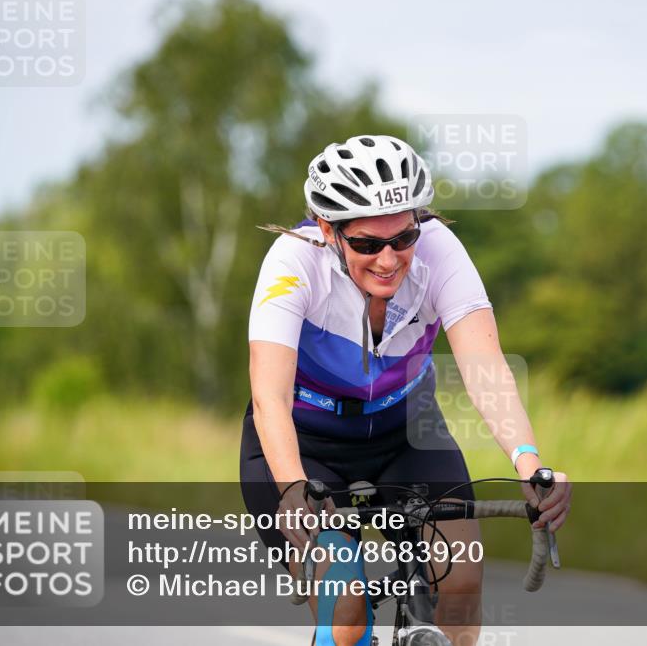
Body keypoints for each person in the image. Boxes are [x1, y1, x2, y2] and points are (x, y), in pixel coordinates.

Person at [240, 135, 571, 646]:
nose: (390, 259)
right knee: (346, 608)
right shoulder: (292, 264)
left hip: (404, 430)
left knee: (461, 580)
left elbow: (484, 367)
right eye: (368, 244)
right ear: (329, 230)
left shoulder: (439, 250)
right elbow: (270, 397)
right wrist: (291, 489)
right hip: (305, 441)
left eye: (403, 238)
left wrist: (530, 464)